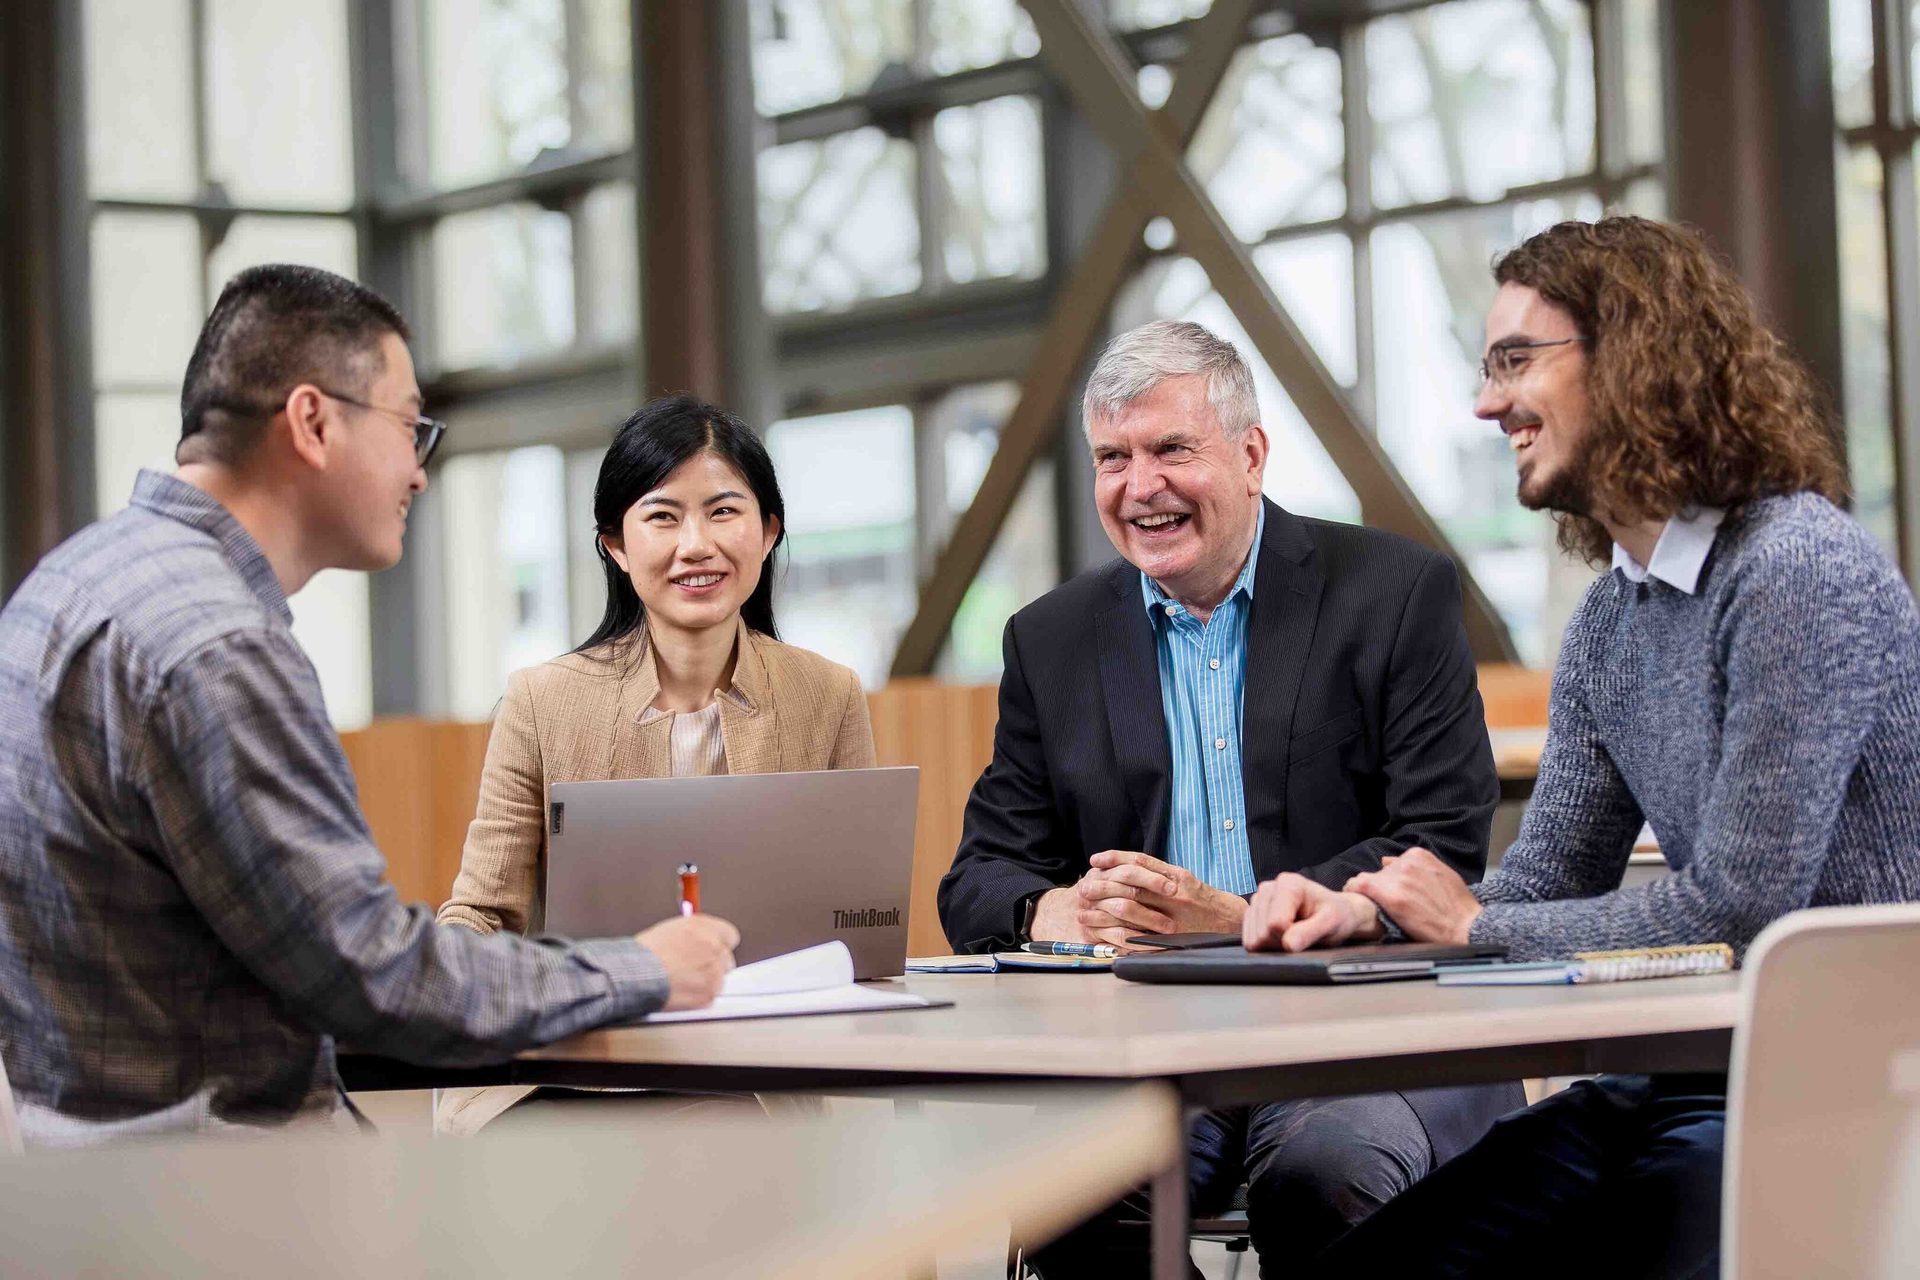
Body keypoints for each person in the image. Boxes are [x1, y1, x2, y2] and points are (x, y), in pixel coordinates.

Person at [1242, 216, 1920, 1278]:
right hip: (1678, 1077)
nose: (1485, 402)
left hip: (1831, 1090)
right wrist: (1377, 914)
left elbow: (1745, 905)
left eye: (1517, 359)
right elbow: (1550, 878)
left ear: (1637, 353)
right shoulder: (1612, 618)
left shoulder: (1797, 570)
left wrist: (1474, 923)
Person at [0, 264, 738, 1148]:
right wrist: (641, 969)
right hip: (219, 1186)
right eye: (408, 426)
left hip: (81, 1169)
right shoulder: (216, 645)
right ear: (313, 421)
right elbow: (373, 974)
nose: (420, 473)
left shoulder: (68, 583)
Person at [938, 319, 1522, 1277]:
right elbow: (976, 881)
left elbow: (1439, 842)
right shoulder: (1050, 640)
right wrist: (1061, 910)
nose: (1140, 487)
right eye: (1113, 458)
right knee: (1064, 1184)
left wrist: (1243, 916)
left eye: (1172, 449)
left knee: (1324, 1174)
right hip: (1154, 1043)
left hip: (1364, 1034)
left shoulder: (1393, 593)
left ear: (1251, 456)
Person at [434, 394, 875, 1134]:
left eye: (724, 512)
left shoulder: (827, 694)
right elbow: (480, 914)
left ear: (768, 532)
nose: (696, 544)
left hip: (758, 1077)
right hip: (576, 1072)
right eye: (663, 516)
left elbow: (862, 926)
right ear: (615, 544)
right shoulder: (542, 701)